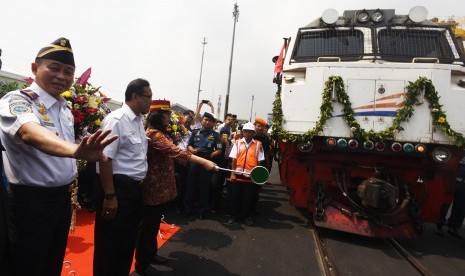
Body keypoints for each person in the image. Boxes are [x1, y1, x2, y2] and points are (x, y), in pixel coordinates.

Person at [0, 37, 117, 276]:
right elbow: (29, 132)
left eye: (68, 71)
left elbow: (63, 145)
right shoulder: (18, 100)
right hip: (30, 202)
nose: (61, 76)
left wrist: (84, 151)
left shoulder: (64, 108)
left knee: (53, 260)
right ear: (34, 68)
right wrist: (76, 151)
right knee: (26, 264)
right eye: (53, 68)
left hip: (61, 199)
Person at [135, 100, 216, 276]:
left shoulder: (160, 133)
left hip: (160, 188)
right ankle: (142, 264)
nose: (169, 118)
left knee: (154, 225)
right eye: (167, 115)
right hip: (153, 189)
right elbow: (176, 152)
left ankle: (151, 255)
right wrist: (202, 161)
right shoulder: (153, 134)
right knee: (147, 228)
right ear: (159, 116)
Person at [93, 78, 152, 276]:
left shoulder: (137, 121)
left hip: (133, 190)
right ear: (135, 96)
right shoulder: (117, 120)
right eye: (148, 97)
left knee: (126, 243)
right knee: (110, 244)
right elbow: (104, 158)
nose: (150, 102)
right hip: (118, 188)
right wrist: (110, 196)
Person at [184, 111, 221, 219]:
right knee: (190, 185)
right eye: (205, 119)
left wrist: (210, 156)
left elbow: (219, 150)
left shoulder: (216, 135)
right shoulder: (195, 132)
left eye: (210, 121)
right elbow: (189, 146)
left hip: (207, 162)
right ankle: (187, 209)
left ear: (213, 123)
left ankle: (202, 210)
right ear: (201, 121)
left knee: (204, 187)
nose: (207, 122)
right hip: (194, 161)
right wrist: (192, 150)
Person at [228, 122, 265, 226]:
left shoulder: (258, 144)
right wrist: (233, 174)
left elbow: (259, 162)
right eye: (246, 132)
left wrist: (256, 176)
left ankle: (246, 217)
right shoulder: (237, 142)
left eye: (250, 132)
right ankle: (233, 216)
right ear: (243, 132)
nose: (248, 134)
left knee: (248, 198)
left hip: (250, 176)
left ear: (253, 133)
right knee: (235, 196)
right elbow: (234, 160)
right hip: (238, 174)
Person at [437, 153, 465, 238]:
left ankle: (454, 227)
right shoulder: (460, 149)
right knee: (445, 204)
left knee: (461, 207)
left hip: (463, 185)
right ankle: (439, 225)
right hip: (452, 181)